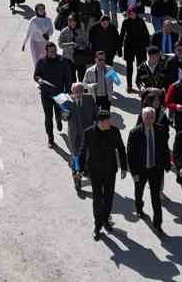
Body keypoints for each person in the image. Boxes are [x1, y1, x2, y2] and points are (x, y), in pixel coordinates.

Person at [81, 110, 128, 240]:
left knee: (108, 198)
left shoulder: (114, 131)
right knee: (97, 199)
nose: (110, 123)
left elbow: (121, 149)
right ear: (101, 122)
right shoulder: (89, 132)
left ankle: (105, 220)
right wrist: (79, 169)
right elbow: (83, 151)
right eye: (108, 121)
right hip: (95, 171)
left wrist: (124, 167)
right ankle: (97, 226)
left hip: (110, 171)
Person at [126, 106, 170, 236]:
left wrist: (166, 164)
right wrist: (134, 173)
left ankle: (158, 224)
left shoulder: (161, 130)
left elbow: (165, 149)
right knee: (138, 192)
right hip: (140, 170)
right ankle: (139, 208)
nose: (150, 120)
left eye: (152, 117)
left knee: (156, 198)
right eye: (147, 117)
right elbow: (130, 154)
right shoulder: (134, 133)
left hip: (155, 170)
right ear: (142, 118)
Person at [33, 42, 74, 146]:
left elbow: (67, 77)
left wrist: (67, 90)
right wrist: (40, 80)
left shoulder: (62, 61)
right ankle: (50, 139)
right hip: (46, 94)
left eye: (55, 50)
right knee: (48, 116)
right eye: (51, 51)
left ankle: (59, 120)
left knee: (58, 112)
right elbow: (36, 75)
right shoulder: (41, 62)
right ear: (46, 51)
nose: (54, 53)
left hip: (59, 94)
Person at [63, 82, 99, 193]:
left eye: (79, 91)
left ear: (83, 91)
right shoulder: (67, 101)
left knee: (87, 155)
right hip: (75, 135)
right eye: (75, 92)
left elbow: (96, 113)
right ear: (72, 92)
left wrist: (97, 125)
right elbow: (63, 117)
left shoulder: (89, 99)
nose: (77, 94)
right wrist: (65, 115)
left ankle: (86, 169)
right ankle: (77, 181)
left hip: (87, 135)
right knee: (76, 158)